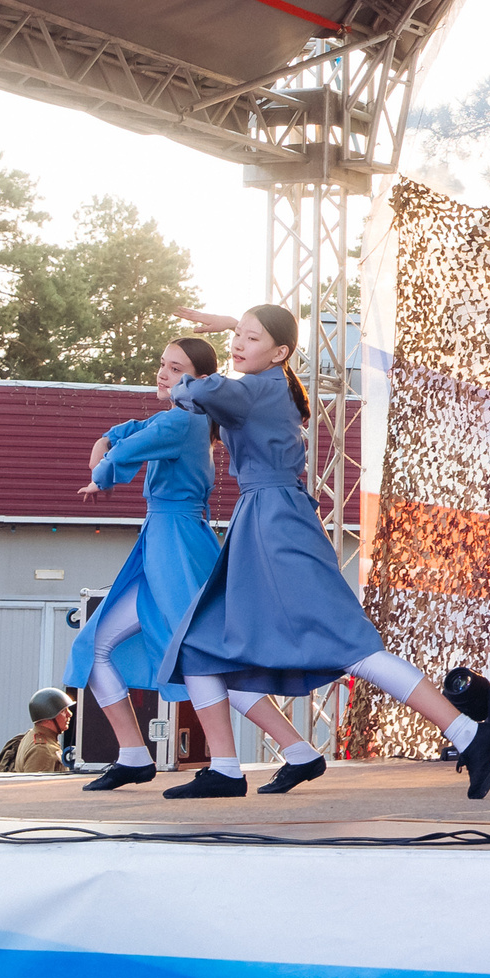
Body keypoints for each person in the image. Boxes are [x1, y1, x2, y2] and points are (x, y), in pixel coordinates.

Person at [161, 305, 490, 801]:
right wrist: (233, 326)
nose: (238, 344)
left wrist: (183, 379)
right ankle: (234, 767)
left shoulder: (259, 387)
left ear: (278, 353)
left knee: (352, 647)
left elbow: (205, 390)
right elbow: (227, 384)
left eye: (250, 338)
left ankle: (466, 732)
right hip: (263, 522)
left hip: (276, 527)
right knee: (201, 647)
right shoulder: (268, 381)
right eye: (239, 335)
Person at [71, 336, 313, 792]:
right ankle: (135, 755)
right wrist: (107, 439)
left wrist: (100, 471)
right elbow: (130, 433)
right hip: (162, 545)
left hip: (176, 546)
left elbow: (125, 451)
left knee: (207, 659)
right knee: (95, 647)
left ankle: (251, 760)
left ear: (199, 382)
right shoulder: (181, 420)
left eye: (176, 368)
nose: (163, 373)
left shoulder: (183, 422)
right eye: (162, 363)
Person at [0, 688, 73, 774]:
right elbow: (35, 786)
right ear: (47, 718)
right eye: (63, 711)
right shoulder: (42, 750)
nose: (70, 714)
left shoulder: (35, 736)